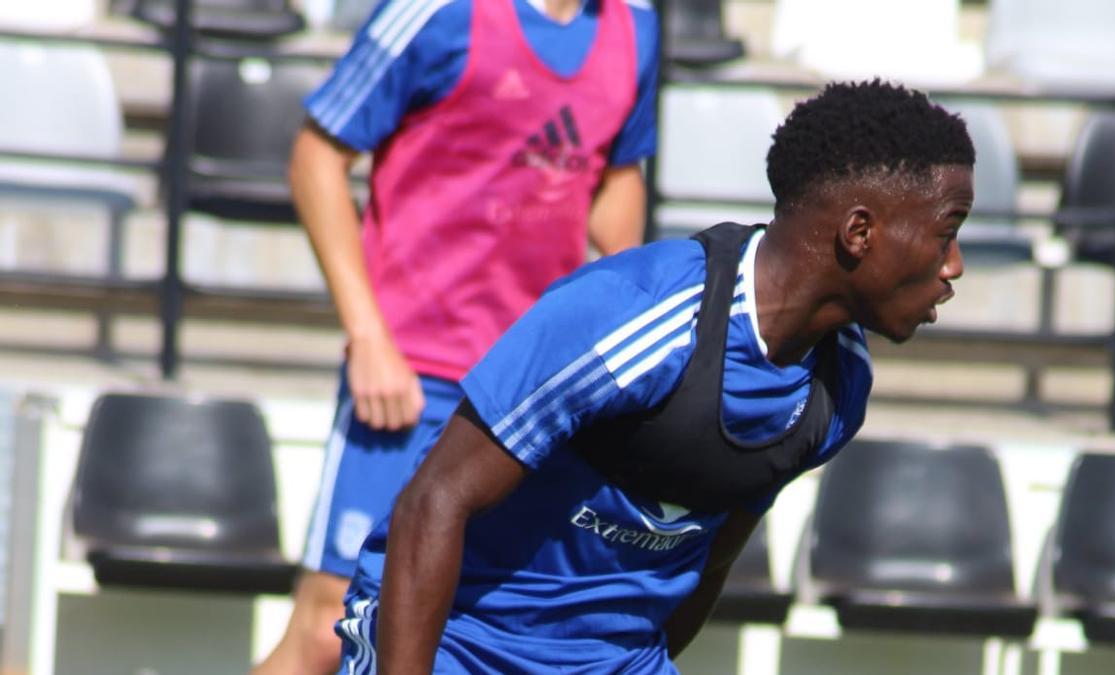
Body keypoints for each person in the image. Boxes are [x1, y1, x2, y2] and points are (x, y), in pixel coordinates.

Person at [332, 79, 976, 674]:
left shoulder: (838, 387)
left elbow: (714, 557)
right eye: (946, 233)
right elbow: (434, 501)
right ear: (859, 231)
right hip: (458, 646)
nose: (955, 266)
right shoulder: (630, 315)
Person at [253, 1, 660, 673]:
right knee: (332, 626)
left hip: (537, 391)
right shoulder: (438, 12)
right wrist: (367, 336)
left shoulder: (634, 27)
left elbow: (617, 181)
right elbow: (316, 156)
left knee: (493, 622)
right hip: (413, 376)